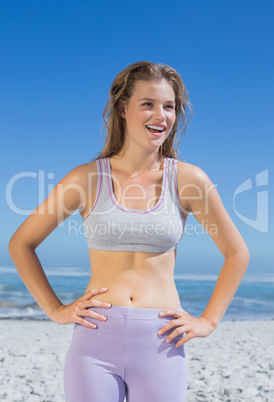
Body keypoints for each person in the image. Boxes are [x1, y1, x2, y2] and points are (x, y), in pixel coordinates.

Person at [8, 61, 249, 402]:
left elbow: (237, 253)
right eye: (148, 104)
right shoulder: (86, 178)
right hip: (95, 342)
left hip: (161, 343)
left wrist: (208, 321)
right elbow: (22, 243)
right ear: (123, 109)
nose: (161, 115)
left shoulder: (189, 180)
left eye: (169, 106)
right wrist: (56, 309)